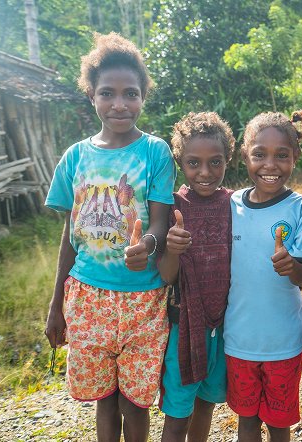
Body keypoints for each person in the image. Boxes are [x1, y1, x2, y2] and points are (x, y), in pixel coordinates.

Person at [44, 32, 175, 442]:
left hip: (143, 297)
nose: (120, 104)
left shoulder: (155, 152)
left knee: (136, 400)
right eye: (108, 93)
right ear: (91, 96)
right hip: (87, 295)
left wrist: (147, 246)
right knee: (105, 398)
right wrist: (55, 305)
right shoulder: (76, 157)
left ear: (142, 97)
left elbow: (160, 221)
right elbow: (70, 233)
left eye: (130, 93)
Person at [224, 111, 302, 442]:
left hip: (283, 341)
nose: (271, 164)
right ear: (244, 157)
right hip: (239, 338)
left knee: (280, 422)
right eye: (259, 154)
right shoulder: (232, 204)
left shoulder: (298, 208)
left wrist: (290, 265)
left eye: (282, 155)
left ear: (295, 157)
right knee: (246, 419)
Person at [158, 112, 235, 442]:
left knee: (206, 404)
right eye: (194, 163)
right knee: (178, 414)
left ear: (227, 160)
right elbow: (165, 274)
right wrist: (173, 248)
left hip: (225, 325)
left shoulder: (235, 204)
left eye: (215, 162)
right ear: (180, 161)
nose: (205, 172)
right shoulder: (174, 205)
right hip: (184, 328)